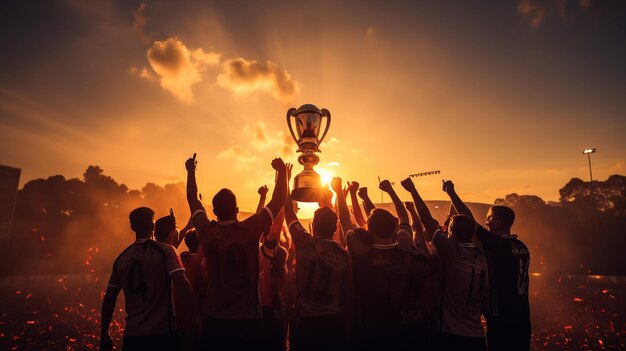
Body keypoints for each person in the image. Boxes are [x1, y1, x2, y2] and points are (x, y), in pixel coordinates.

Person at [185, 153, 287, 350]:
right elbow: (279, 199)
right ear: (237, 209)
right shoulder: (249, 230)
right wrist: (282, 172)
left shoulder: (207, 231)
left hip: (215, 318)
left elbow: (192, 200)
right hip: (247, 319)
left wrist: (191, 172)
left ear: (214, 211)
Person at [333, 177, 427, 350]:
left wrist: (339, 193)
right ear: (394, 229)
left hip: (365, 328)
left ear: (370, 228)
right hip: (397, 326)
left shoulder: (359, 250)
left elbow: (345, 220)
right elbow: (404, 218)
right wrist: (391, 191)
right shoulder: (403, 247)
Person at [400, 177, 489, 351]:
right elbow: (469, 220)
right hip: (478, 336)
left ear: (451, 234)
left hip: (451, 334)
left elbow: (425, 220)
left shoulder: (452, 254)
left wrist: (413, 190)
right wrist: (451, 193)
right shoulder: (482, 253)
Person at [442, 180, 531, 351]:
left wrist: (451, 193)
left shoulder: (495, 245)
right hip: (523, 318)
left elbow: (469, 220)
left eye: (489, 218)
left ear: (496, 222)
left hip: (502, 319)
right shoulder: (522, 247)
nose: (486, 222)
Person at [100, 207, 199, 351]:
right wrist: (196, 317)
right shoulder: (165, 251)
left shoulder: (121, 259)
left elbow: (109, 298)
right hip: (162, 334)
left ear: (132, 227)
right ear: (153, 226)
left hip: (132, 337)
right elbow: (183, 285)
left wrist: (104, 333)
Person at [284, 167, 350, 351]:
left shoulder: (304, 242)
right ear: (334, 229)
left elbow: (289, 212)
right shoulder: (344, 255)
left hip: (307, 322)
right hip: (334, 322)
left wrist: (285, 178)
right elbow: (347, 291)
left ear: (313, 225)